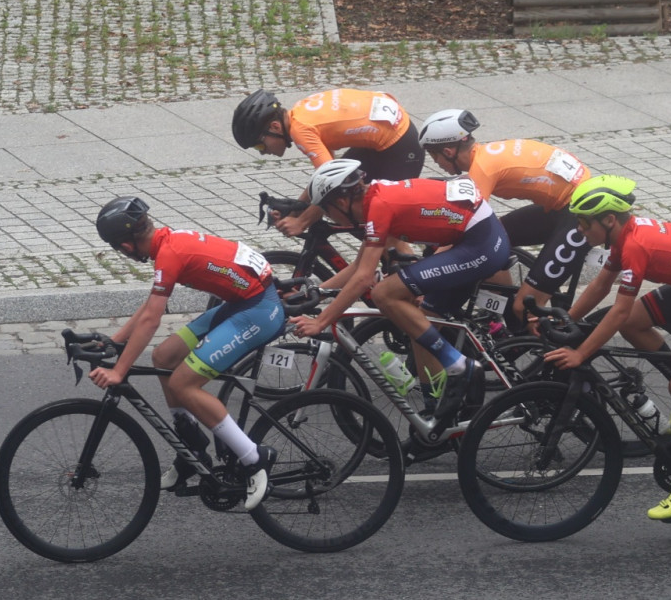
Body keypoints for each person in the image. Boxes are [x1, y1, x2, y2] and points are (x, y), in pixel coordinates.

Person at [542, 175, 671, 521]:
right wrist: (567, 319)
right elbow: (601, 286)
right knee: (634, 326)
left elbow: (619, 308)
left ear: (609, 220)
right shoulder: (624, 235)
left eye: (584, 223)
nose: (580, 230)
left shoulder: (636, 246)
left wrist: (581, 353)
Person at [91, 196, 284, 510]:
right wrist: (116, 341)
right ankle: (191, 444)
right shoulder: (168, 243)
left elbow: (153, 318)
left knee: (184, 384)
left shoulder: (169, 254)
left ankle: (254, 457)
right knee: (163, 357)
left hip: (259, 310)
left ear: (126, 246)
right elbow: (151, 306)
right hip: (243, 301)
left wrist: (119, 370)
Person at [288, 160, 510, 425]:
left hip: (480, 243)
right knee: (417, 319)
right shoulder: (375, 199)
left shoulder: (380, 206)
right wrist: (315, 291)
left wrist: (321, 321)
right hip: (473, 235)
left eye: (326, 210)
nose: (328, 217)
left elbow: (363, 278)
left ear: (341, 201)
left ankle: (460, 365)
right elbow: (359, 265)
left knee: (385, 294)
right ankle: (436, 407)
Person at [417, 108, 592, 331]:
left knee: (526, 307)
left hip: (580, 215)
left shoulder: (482, 168)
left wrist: (424, 270)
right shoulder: (485, 156)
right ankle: (499, 304)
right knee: (497, 238)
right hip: (563, 203)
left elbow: (468, 226)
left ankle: (557, 355)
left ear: (449, 151)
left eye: (435, 156)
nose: (436, 163)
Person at [231, 88, 425, 237]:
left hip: (399, 148)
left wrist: (302, 223)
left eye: (260, 146)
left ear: (274, 127)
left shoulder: (301, 131)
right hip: (385, 137)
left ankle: (402, 272)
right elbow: (327, 176)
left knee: (375, 221)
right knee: (345, 204)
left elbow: (333, 188)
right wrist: (297, 208)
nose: (264, 153)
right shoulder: (299, 113)